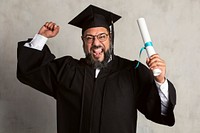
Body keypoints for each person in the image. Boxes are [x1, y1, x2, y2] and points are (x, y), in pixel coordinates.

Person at [17, 4, 176, 133]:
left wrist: (160, 81)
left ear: (110, 38)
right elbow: (29, 70)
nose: (96, 43)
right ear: (83, 41)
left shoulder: (131, 72)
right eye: (89, 37)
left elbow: (160, 113)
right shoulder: (67, 71)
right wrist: (42, 37)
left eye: (102, 36)